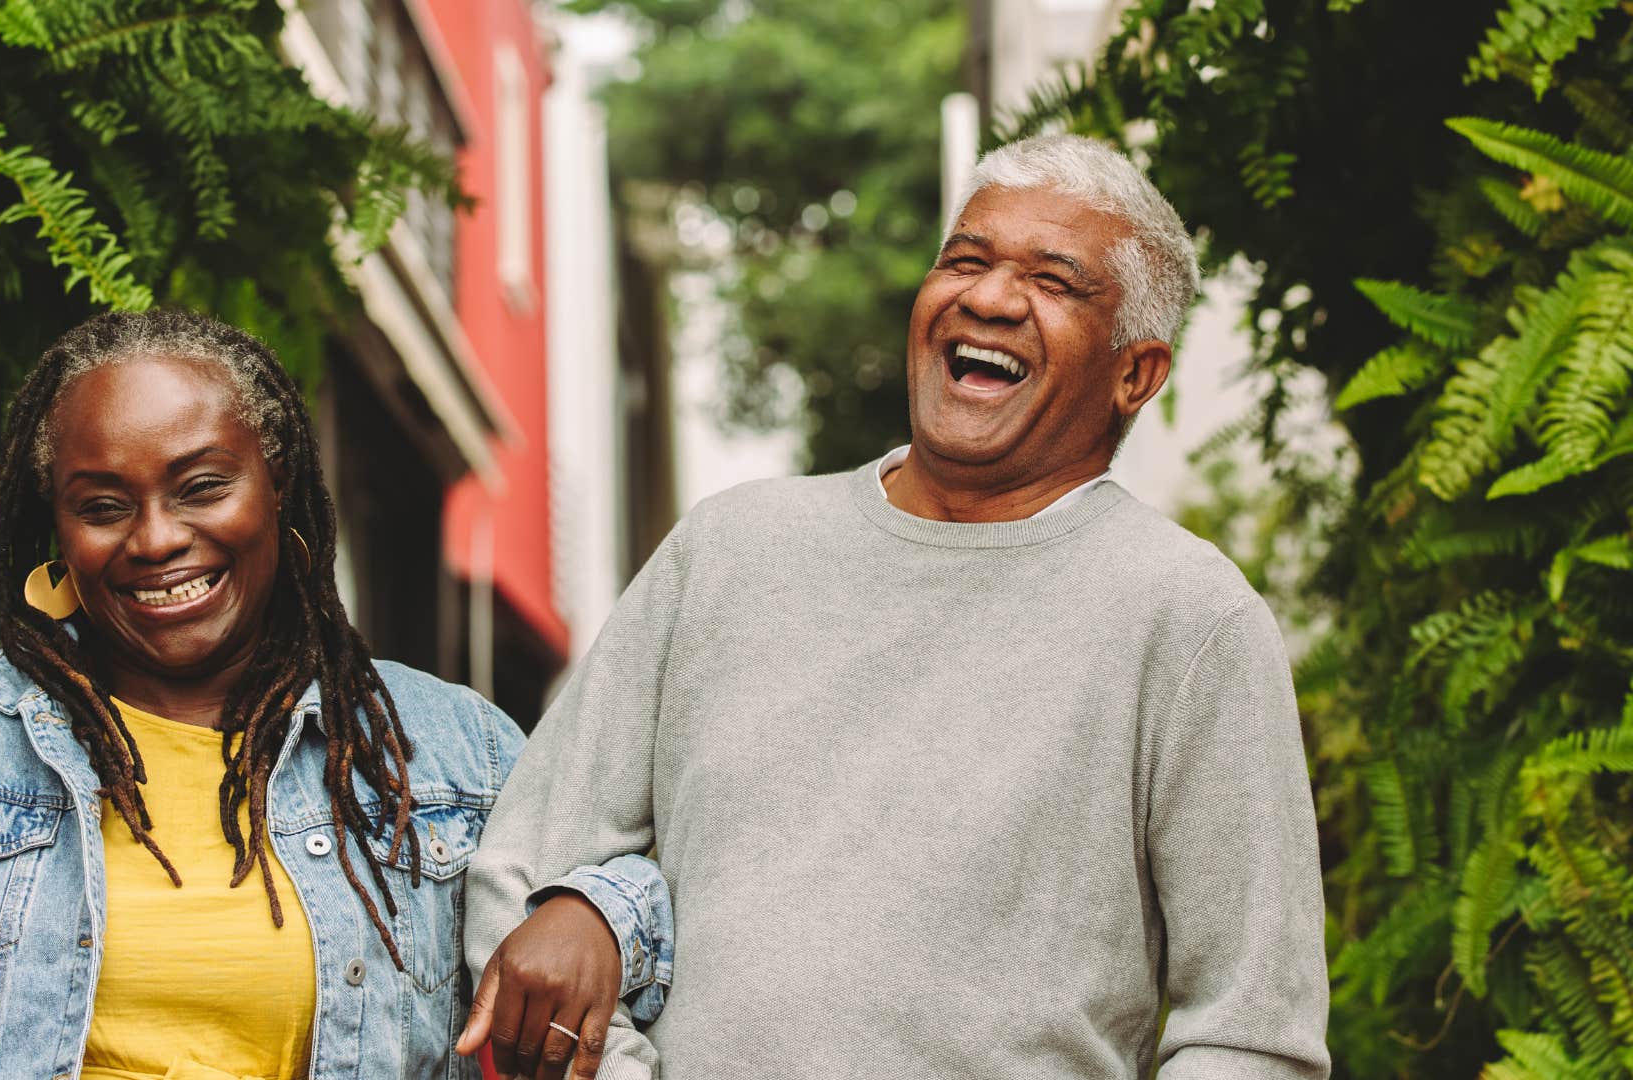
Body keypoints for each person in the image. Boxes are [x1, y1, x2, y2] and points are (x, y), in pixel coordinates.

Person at [463, 133, 1331, 1079]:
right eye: (966, 259)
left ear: (1136, 374)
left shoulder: (1191, 620)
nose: (991, 297)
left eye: (1055, 281)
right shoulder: (728, 552)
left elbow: (1250, 1034)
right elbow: (524, 862)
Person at [0, 310, 673, 1080]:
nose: (155, 539)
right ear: (57, 530)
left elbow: (667, 891)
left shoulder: (445, 750)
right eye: (104, 504)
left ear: (277, 491)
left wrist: (594, 914)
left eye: (201, 487)